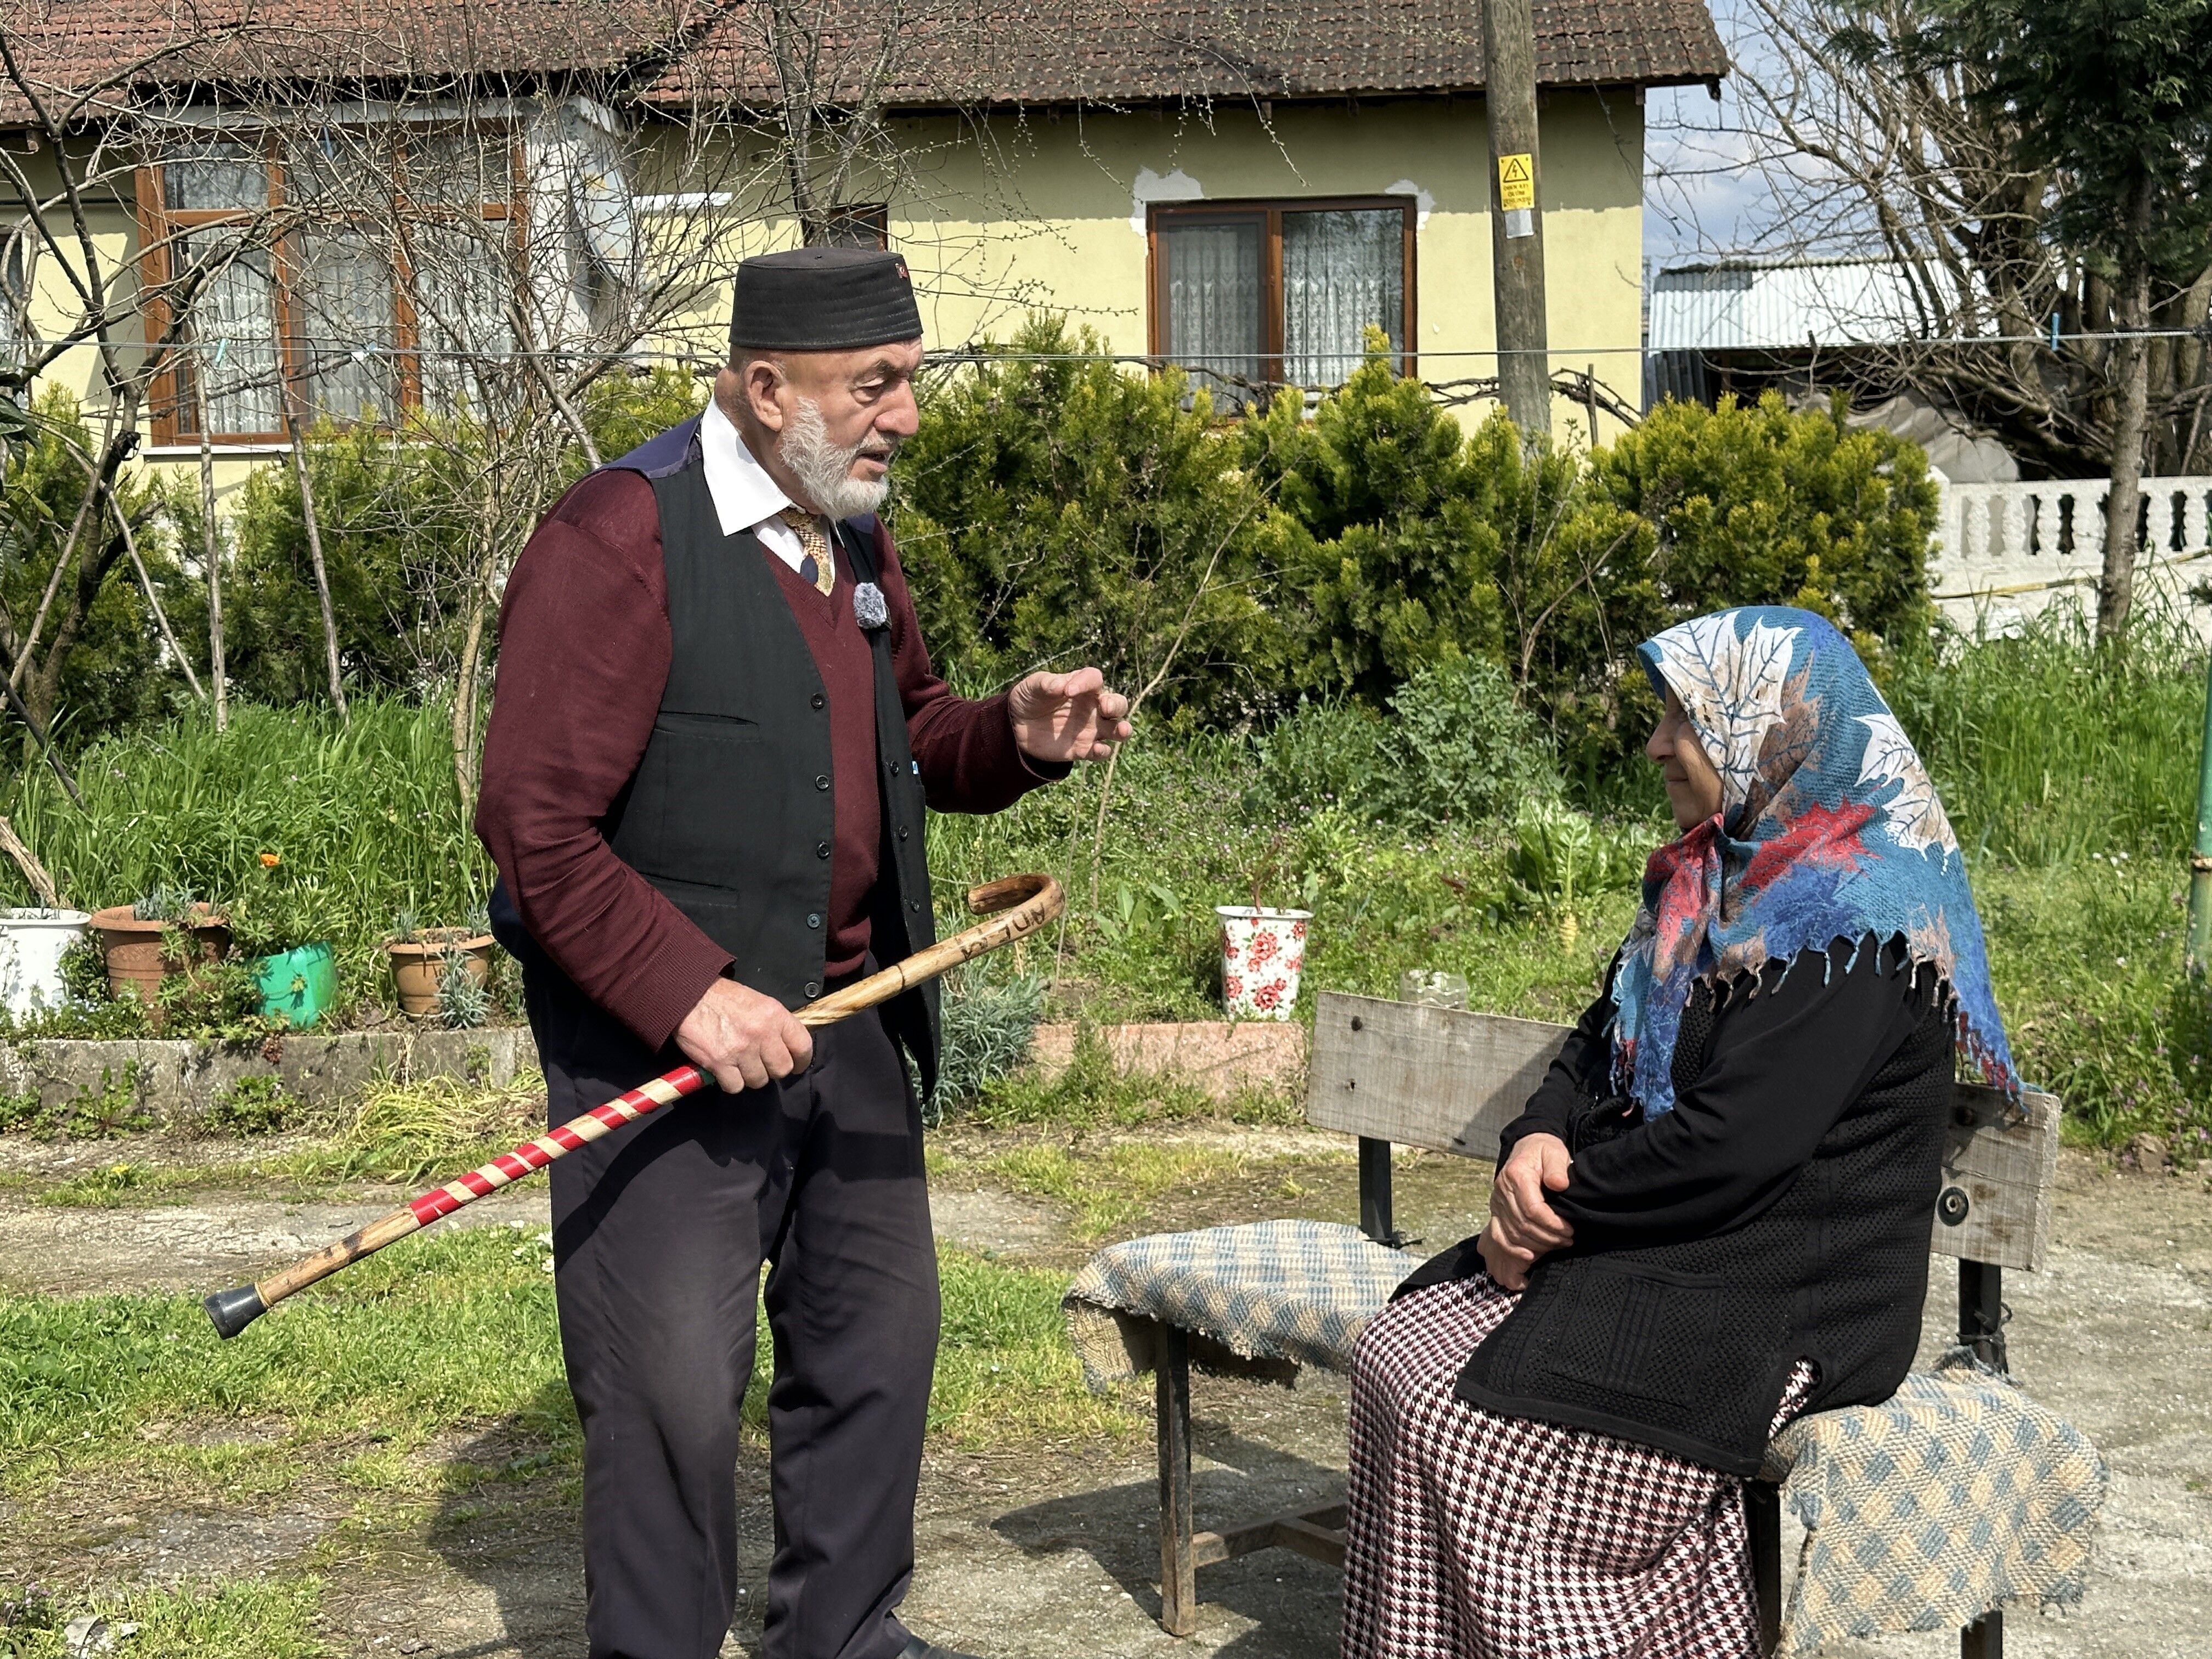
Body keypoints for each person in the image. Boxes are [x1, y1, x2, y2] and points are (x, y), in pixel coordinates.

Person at [475, 246, 1130, 1659]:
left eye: (911, 381)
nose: (904, 414)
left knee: (875, 1357)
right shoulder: (621, 537)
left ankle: (842, 1638)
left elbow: (910, 736)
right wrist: (691, 995)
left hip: (845, 1029)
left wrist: (1011, 734)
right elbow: (536, 826)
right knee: (669, 1400)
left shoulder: (853, 535)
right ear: (767, 388)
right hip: (657, 1056)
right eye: (874, 385)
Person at [1340, 606, 2020, 1659]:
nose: (1657, 744)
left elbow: (1732, 1144)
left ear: (1769, 733)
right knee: (1397, 1349)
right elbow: (1591, 1045)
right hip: (1674, 1239)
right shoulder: (1714, 881)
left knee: (1474, 1429)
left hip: (1785, 1286)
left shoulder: (1861, 922)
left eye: (1682, 722)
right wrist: (1533, 1145)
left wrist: (1553, 1209)